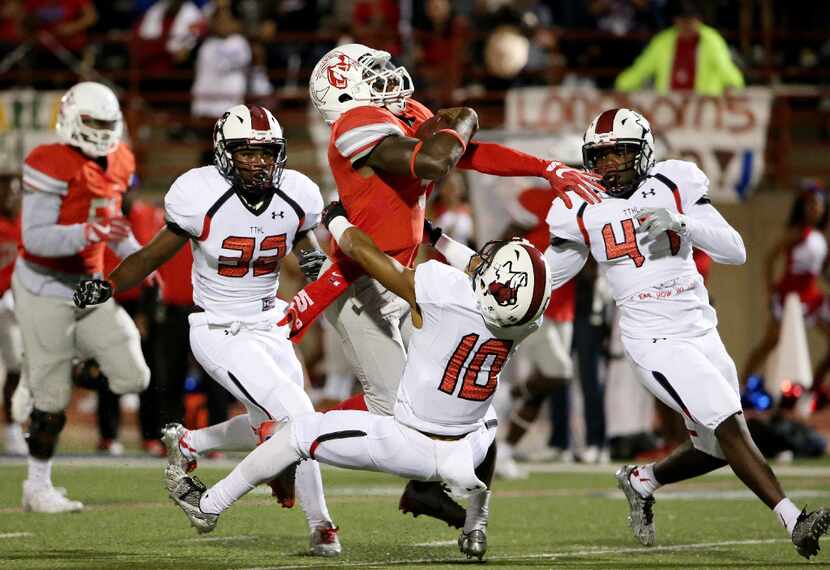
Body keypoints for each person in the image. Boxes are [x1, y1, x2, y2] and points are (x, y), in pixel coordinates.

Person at [303, 42, 603, 527]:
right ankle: (291, 436)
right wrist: (463, 117)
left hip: (405, 277)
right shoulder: (354, 125)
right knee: (398, 413)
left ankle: (420, 489)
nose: (387, 77)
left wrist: (547, 168)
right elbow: (434, 162)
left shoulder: (404, 114)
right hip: (363, 278)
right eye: (371, 72)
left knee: (433, 400)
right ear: (343, 90)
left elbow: (473, 155)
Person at [163, 200, 551, 561]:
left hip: (410, 441)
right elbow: (485, 279)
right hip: (467, 449)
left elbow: (367, 255)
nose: (480, 260)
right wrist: (437, 237)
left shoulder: (441, 291)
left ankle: (208, 505)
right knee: (489, 422)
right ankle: (475, 525)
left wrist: (337, 219)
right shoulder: (526, 322)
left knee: (298, 434)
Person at [545, 106, 830, 559]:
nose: (608, 167)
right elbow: (549, 274)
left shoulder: (676, 182)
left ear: (644, 152)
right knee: (730, 425)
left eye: (619, 155)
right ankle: (794, 519)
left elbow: (735, 250)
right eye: (599, 158)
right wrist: (511, 283)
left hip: (700, 328)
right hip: (652, 338)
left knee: (718, 446)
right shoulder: (578, 205)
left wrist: (683, 223)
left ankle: (642, 480)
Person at [73, 103, 341, 556]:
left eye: (266, 152)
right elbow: (151, 255)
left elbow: (307, 248)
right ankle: (311, 524)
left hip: (270, 322)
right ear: (223, 153)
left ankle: (190, 442)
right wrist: (110, 285)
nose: (258, 162)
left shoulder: (296, 193)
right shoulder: (201, 194)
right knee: (298, 414)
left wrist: (323, 269)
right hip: (220, 327)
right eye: (246, 152)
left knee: (275, 425)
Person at [15, 81, 150, 512]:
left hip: (89, 285)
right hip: (44, 282)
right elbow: (34, 239)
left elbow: (113, 220)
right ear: (71, 119)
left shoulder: (121, 159)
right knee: (52, 400)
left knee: (133, 376)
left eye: (108, 124)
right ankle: (37, 487)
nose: (101, 132)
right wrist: (88, 233)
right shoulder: (49, 162)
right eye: (92, 123)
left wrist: (138, 258)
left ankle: (49, 359)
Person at [741, 183, 830, 401]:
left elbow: (821, 269)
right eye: (811, 205)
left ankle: (812, 390)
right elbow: (771, 258)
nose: (815, 210)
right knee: (769, 342)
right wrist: (770, 291)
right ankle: (742, 384)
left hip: (813, 297)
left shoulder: (820, 237)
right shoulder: (797, 233)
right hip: (790, 296)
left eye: (819, 206)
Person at [614, 0, 744, 96]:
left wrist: (736, 87)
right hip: (669, 106)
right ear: (675, 20)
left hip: (703, 106)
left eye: (690, 19)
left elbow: (725, 68)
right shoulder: (663, 41)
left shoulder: (711, 40)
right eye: (682, 19)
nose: (686, 24)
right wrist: (620, 87)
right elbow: (642, 69)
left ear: (699, 19)